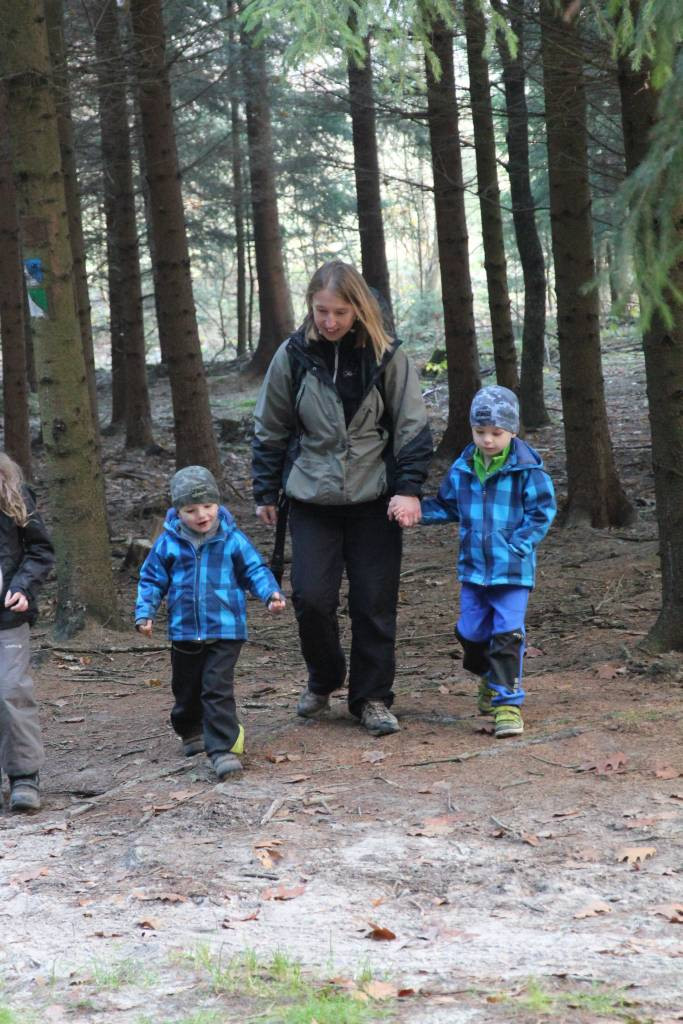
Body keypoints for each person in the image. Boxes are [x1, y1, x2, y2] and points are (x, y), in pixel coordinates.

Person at [252, 260, 432, 736]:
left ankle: (371, 697)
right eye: (321, 311)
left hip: (376, 498)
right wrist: (265, 489)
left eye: (339, 312)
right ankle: (325, 677)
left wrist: (409, 489)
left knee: (374, 602)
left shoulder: (387, 355)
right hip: (311, 498)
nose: (329, 321)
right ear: (310, 307)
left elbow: (412, 427)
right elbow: (270, 425)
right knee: (311, 598)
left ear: (358, 309)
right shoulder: (292, 355)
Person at [391, 385, 556, 738]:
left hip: (512, 570)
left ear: (512, 431)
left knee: (508, 634)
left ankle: (507, 705)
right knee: (471, 632)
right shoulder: (463, 467)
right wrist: (416, 512)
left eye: (497, 432)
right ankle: (488, 675)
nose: (488, 440)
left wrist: (518, 545)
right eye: (480, 432)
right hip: (474, 570)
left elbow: (542, 512)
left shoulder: (528, 469)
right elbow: (448, 505)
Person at [135, 466, 285, 780]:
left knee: (216, 689)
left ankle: (222, 750)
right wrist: (145, 612)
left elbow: (254, 569)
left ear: (218, 504)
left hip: (226, 628)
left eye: (208, 506)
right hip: (184, 629)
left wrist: (270, 593)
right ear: (178, 512)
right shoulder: (168, 542)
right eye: (191, 510)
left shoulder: (232, 538)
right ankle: (190, 729)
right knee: (187, 688)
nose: (201, 515)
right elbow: (151, 579)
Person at [0, 453, 54, 812]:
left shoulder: (14, 495)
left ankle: (24, 776)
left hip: (7, 617)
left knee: (11, 691)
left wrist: (23, 587)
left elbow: (40, 549)